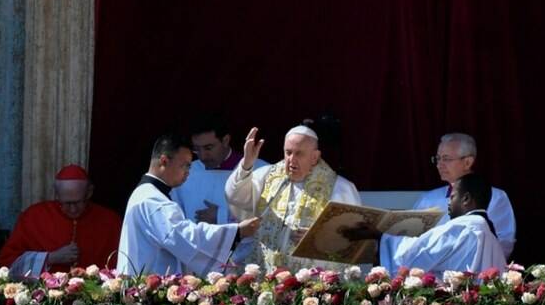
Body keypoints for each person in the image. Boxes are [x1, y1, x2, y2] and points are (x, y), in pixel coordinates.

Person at [116, 134, 260, 276]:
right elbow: (186, 237)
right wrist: (237, 232)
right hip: (148, 286)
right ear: (164, 161)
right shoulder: (151, 200)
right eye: (185, 166)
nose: (188, 173)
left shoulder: (146, 193)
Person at [225, 125, 361, 272]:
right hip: (264, 272)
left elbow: (354, 239)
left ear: (315, 157)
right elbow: (235, 197)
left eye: (299, 154)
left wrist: (319, 238)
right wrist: (246, 164)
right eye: (288, 152)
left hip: (310, 281)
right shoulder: (266, 176)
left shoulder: (339, 188)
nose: (291, 159)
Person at [345, 174, 507, 279]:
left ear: (465, 199)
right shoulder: (491, 236)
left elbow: (418, 252)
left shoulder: (462, 226)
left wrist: (380, 236)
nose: (449, 203)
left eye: (452, 197)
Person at [170, 118, 267, 265]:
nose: (202, 156)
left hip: (247, 264)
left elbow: (270, 220)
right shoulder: (186, 172)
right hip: (197, 263)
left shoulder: (260, 171)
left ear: (226, 140)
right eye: (197, 149)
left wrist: (222, 215)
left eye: (208, 148)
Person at [0, 165, 122, 277]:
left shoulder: (110, 221)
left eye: (78, 202)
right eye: (66, 203)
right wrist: (49, 258)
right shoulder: (33, 217)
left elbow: (122, 267)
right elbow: (6, 263)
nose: (73, 209)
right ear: (57, 195)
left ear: (89, 193)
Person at [413, 133, 516, 259]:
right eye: (438, 158)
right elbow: (415, 239)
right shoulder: (428, 199)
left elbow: (504, 243)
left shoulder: (495, 197)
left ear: (468, 162)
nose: (439, 165)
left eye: (446, 159)